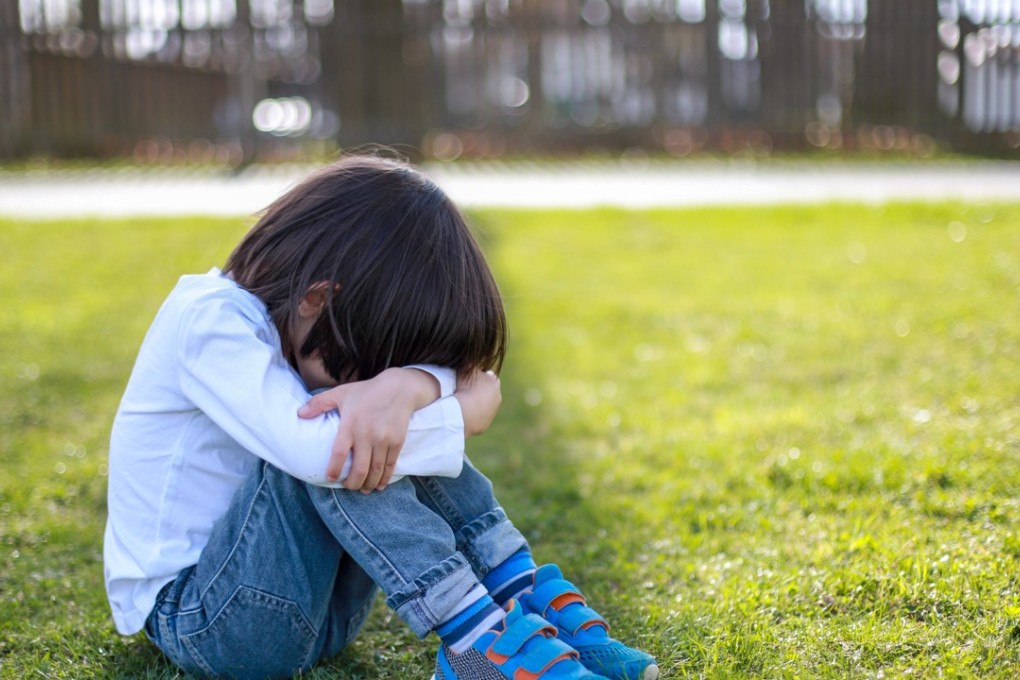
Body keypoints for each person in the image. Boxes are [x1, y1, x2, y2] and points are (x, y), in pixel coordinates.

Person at [103, 156, 658, 680]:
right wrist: (455, 414)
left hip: (321, 613)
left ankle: (516, 591)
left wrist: (408, 384)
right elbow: (323, 455)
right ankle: (475, 642)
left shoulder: (299, 331)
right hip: (206, 619)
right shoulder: (207, 320)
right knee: (347, 442)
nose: (371, 380)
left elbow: (443, 380)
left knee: (368, 425)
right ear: (318, 301)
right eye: (372, 366)